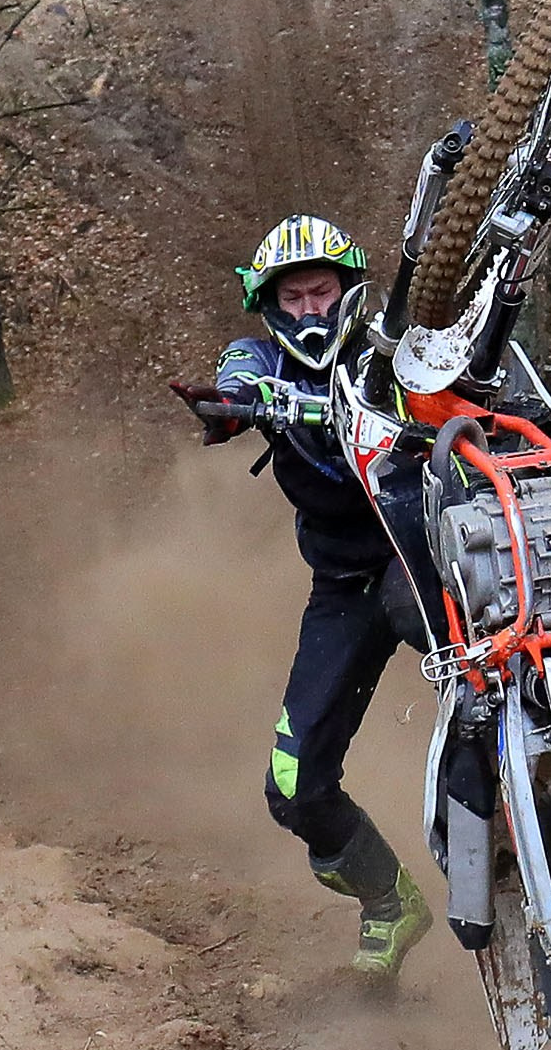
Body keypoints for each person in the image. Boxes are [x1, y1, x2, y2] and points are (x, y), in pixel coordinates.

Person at [171, 216, 434, 977]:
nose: (312, 310)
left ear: (349, 290)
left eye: (323, 291)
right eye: (295, 297)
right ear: (272, 307)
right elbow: (237, 379)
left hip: (422, 558)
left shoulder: (389, 347)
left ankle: (541, 796)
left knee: (502, 669)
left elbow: (446, 375)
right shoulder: (255, 358)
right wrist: (229, 407)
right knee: (293, 787)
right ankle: (388, 898)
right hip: (344, 587)